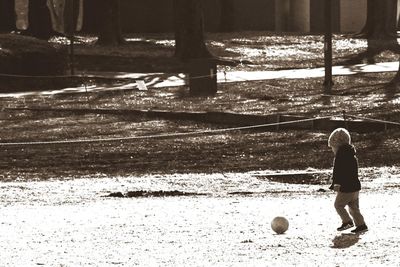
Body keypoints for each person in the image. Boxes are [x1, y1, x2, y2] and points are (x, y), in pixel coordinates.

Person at [328, 128, 368, 233]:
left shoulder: (340, 156)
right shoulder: (352, 154)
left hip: (346, 188)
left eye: (332, 147)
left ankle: (347, 221)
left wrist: (336, 184)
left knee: (338, 205)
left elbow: (338, 172)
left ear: (337, 145)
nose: (332, 150)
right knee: (354, 207)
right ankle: (361, 225)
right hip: (355, 187)